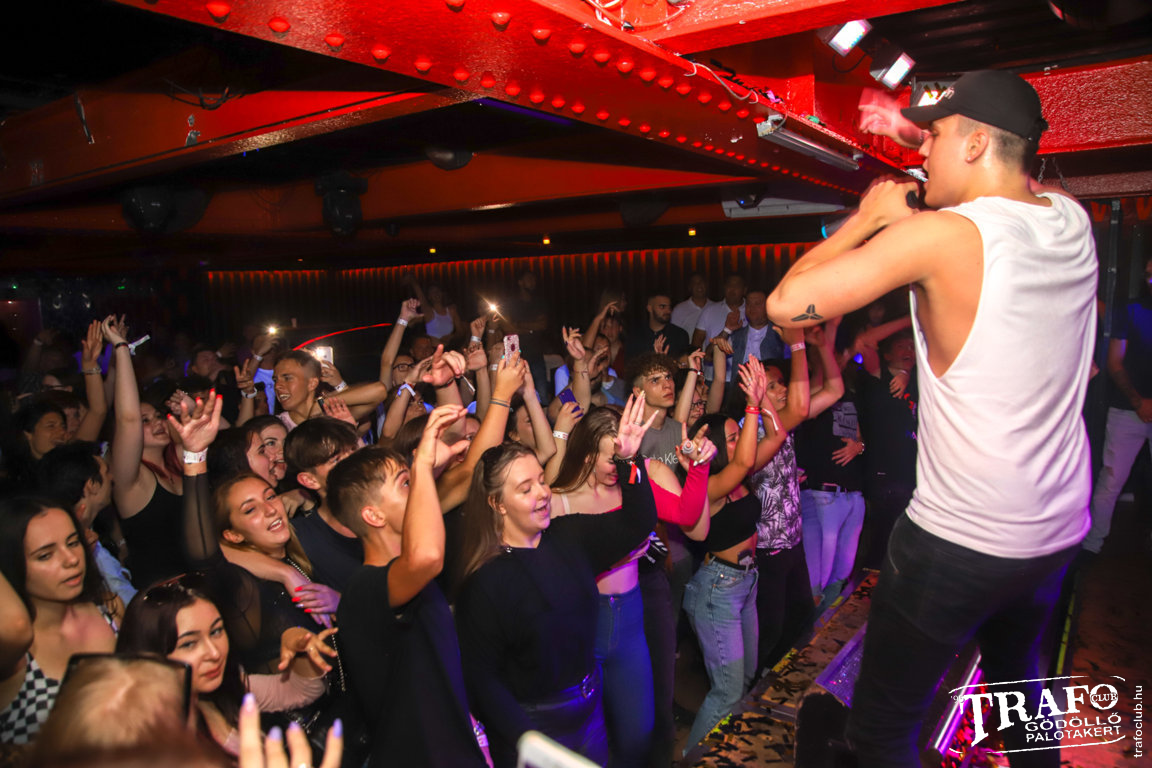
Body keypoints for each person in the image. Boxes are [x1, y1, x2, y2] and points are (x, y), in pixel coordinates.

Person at [767, 70, 1097, 766]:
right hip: (1055, 530)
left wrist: (868, 218)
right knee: (1019, 688)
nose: (921, 152)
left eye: (935, 136)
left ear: (975, 144)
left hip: (960, 540)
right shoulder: (1069, 219)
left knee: (881, 734)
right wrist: (919, 179)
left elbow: (784, 305)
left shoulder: (942, 239)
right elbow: (997, 206)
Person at [454, 395, 658, 768]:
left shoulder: (568, 536)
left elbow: (637, 522)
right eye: (525, 488)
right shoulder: (486, 581)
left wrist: (630, 460)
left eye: (541, 480)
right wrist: (526, 741)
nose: (543, 493)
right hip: (537, 726)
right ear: (497, 504)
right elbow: (482, 680)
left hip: (590, 712)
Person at [328, 407, 488, 768]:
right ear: (373, 516)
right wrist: (422, 466)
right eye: (404, 483)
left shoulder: (403, 576)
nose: (416, 489)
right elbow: (427, 556)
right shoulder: (363, 589)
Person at [681, 359, 783, 753]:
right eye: (733, 436)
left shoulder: (740, 475)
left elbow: (777, 434)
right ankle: (691, 759)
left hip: (746, 582)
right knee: (726, 691)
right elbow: (742, 461)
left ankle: (725, 751)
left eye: (740, 433)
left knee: (745, 680)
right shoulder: (709, 485)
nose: (741, 439)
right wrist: (752, 405)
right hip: (717, 591)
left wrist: (762, 397)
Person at [117, 579, 335, 757]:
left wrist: (298, 644)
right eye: (189, 644)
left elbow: (302, 691)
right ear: (152, 654)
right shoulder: (155, 746)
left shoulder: (222, 691)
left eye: (216, 632)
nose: (214, 652)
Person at [0, 498, 122, 744]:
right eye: (45, 555)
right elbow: (17, 627)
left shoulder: (109, 608)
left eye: (73, 543)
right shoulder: (14, 648)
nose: (71, 559)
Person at [1082, 253, 1152, 554]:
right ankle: (1092, 545)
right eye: (1147, 274)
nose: (1150, 279)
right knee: (1111, 481)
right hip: (1126, 409)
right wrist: (1139, 402)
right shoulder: (1131, 310)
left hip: (1132, 408)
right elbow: (1115, 362)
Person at [36, 442, 137, 606]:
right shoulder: (76, 544)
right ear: (92, 485)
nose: (112, 478)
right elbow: (126, 601)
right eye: (107, 472)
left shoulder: (90, 529)